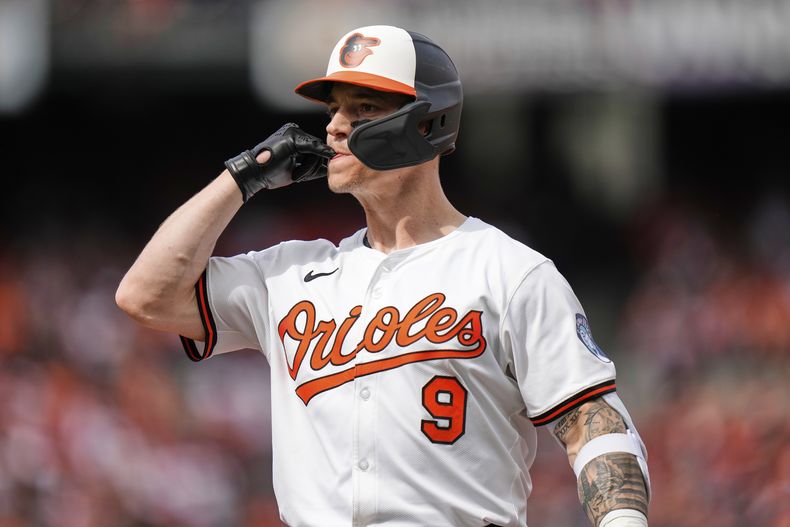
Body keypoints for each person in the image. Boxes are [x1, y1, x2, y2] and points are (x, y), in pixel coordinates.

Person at [116, 25, 650, 527]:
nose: (334, 126)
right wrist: (242, 176)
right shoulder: (290, 273)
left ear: (427, 123)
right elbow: (145, 296)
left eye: (363, 107)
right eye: (333, 110)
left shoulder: (509, 271)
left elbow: (592, 423)